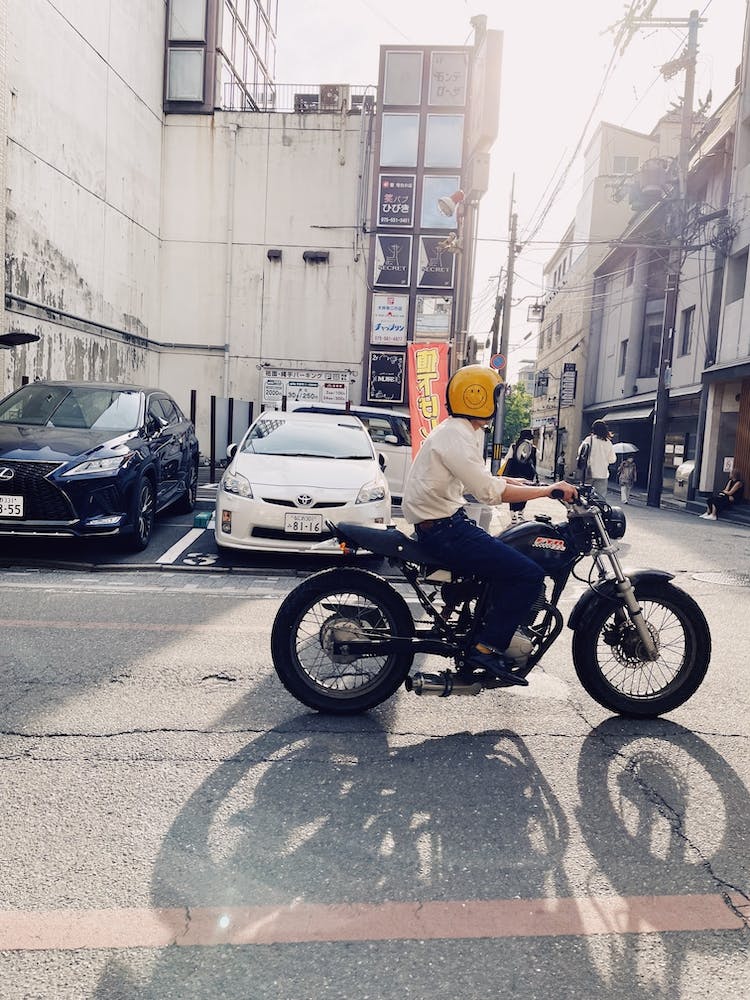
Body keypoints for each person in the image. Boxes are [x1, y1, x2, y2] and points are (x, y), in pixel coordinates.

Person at [402, 364, 578, 687]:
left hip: (445, 523)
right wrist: (546, 490)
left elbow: (480, 479)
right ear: (477, 397)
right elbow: (488, 492)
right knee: (529, 573)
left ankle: (485, 631)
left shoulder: (460, 432)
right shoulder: (456, 435)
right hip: (444, 530)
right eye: (495, 396)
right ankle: (485, 647)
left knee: (506, 557)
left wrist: (518, 480)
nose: (498, 404)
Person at [503, 428, 538, 524]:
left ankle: (513, 516)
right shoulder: (534, 449)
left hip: (514, 474)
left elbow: (507, 458)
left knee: (513, 494)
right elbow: (535, 463)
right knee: (525, 494)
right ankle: (520, 514)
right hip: (527, 476)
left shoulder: (514, 446)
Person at [578, 420, 616, 498]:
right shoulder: (608, 443)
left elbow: (580, 452)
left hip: (589, 473)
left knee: (585, 497)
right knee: (599, 498)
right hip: (602, 474)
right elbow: (612, 460)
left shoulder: (589, 439)